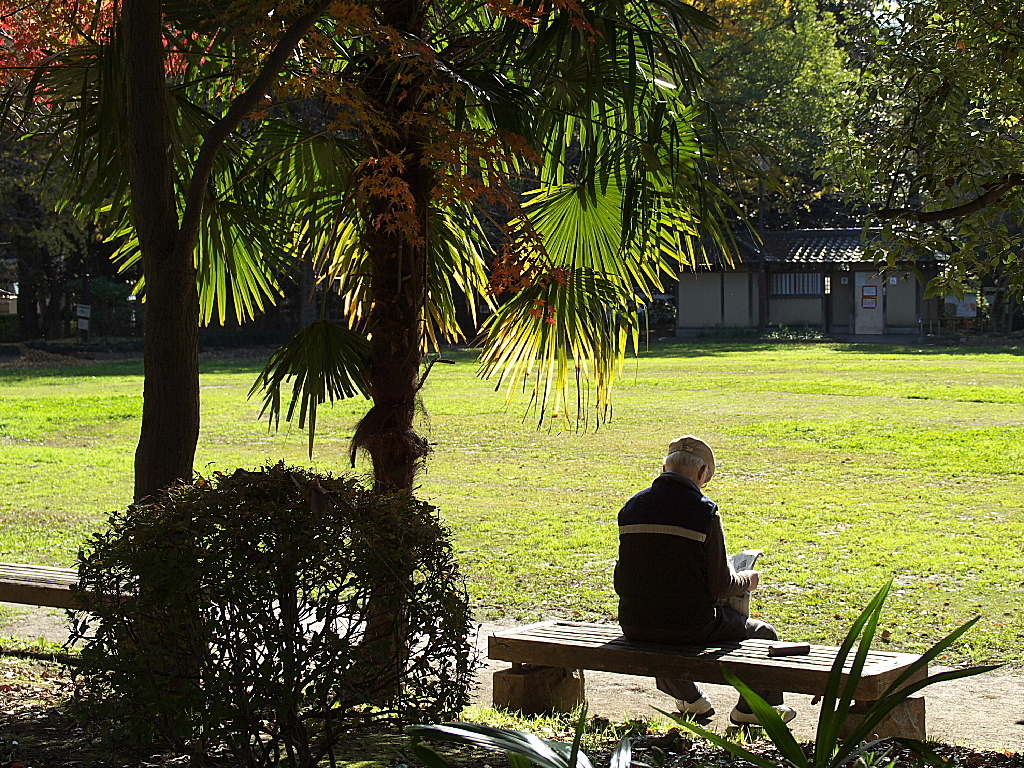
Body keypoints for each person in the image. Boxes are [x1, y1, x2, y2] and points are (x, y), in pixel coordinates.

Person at [614, 435, 796, 725]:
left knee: (660, 630)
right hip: (689, 626)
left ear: (664, 468)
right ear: (701, 474)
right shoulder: (704, 511)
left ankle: (692, 699)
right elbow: (720, 585)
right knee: (764, 634)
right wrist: (746, 580)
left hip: (634, 623)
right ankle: (754, 711)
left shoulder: (632, 507)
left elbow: (622, 576)